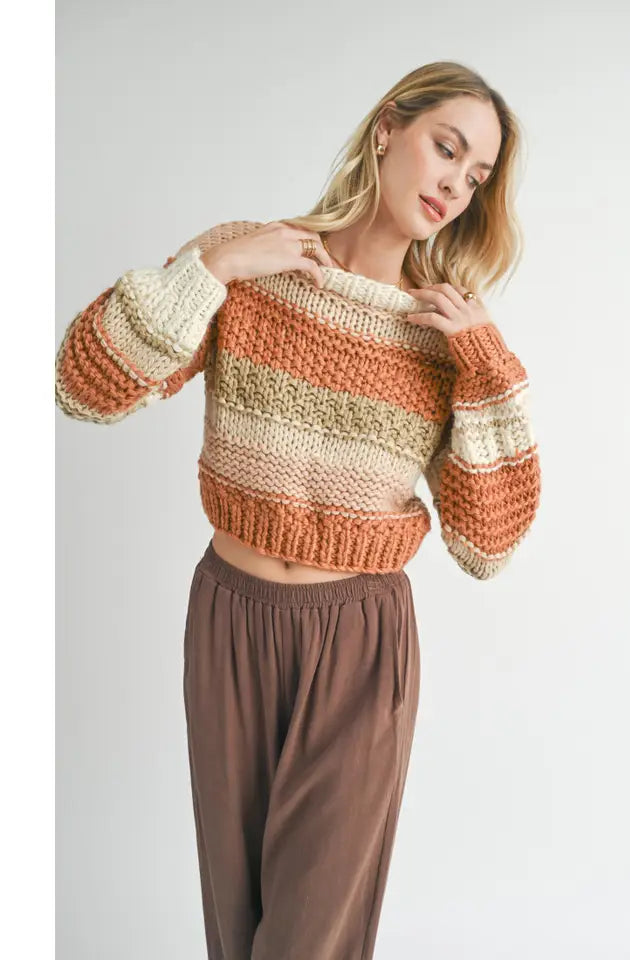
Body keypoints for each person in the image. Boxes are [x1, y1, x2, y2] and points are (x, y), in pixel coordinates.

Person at [55, 60, 541, 960]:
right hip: (228, 620)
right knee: (237, 930)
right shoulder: (250, 263)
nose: (455, 186)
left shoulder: (445, 336)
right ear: (388, 128)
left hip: (358, 644)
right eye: (447, 149)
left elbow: (489, 544)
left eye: (476, 178)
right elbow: (85, 386)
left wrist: (488, 366)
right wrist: (211, 266)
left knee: (306, 942)